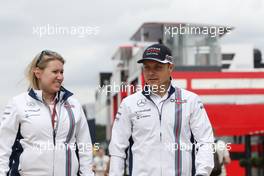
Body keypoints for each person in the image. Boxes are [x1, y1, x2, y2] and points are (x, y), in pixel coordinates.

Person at [109, 44, 215, 176]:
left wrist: (202, 173)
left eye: (158, 67)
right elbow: (117, 148)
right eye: (147, 67)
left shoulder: (190, 100)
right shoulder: (129, 103)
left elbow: (205, 141)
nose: (151, 73)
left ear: (170, 67)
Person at [0, 50, 94, 176]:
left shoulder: (74, 105)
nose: (60, 77)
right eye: (55, 72)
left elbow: (85, 147)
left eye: (62, 72)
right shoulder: (18, 103)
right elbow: (3, 148)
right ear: (38, 72)